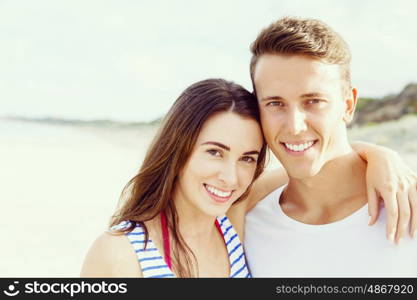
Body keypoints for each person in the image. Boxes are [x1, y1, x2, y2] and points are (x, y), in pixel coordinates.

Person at [80, 77, 414, 278]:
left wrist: (379, 155)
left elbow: (316, 163)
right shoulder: (119, 254)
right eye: (214, 151)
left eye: (247, 158)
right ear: (178, 150)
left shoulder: (231, 223)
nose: (229, 177)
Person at [242, 17, 417, 277]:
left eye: (313, 101)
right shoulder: (247, 222)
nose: (295, 126)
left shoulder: (408, 202)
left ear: (348, 105)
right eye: (275, 103)